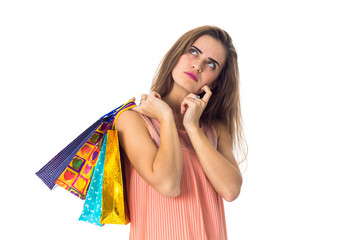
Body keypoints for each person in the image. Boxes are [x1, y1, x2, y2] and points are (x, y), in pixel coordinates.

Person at [116, 25, 248, 240]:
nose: (197, 65)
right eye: (193, 51)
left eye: (211, 64)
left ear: (215, 82)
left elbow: (231, 190)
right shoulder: (132, 120)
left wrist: (193, 127)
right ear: (177, 54)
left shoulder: (214, 129)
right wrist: (166, 117)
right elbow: (168, 185)